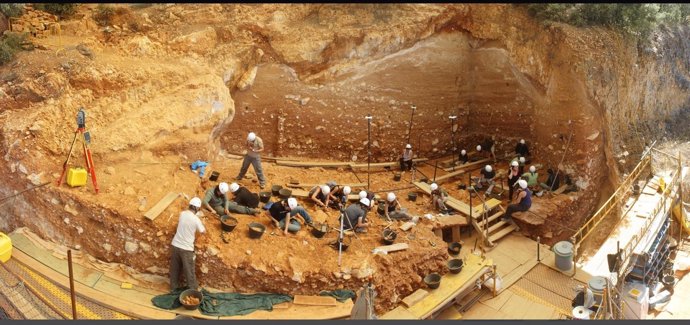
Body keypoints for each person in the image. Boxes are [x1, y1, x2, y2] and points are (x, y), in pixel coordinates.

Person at [170, 197, 206, 291]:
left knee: (175, 269)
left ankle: (173, 288)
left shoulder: (182, 214)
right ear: (197, 208)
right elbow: (202, 231)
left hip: (175, 245)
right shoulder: (196, 219)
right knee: (189, 271)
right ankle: (193, 292)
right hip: (186, 249)